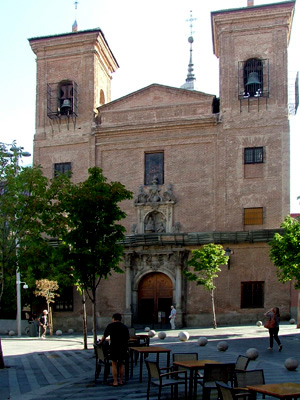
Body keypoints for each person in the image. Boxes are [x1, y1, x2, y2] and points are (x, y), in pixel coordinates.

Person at [98, 313, 129, 387]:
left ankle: (115, 381)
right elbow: (127, 338)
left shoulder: (110, 326)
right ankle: (121, 381)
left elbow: (104, 336)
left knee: (114, 364)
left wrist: (101, 342)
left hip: (114, 347)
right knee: (121, 364)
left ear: (113, 318)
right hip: (122, 347)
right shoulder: (124, 327)